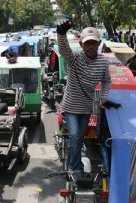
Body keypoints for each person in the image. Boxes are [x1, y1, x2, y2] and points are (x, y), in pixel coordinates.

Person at [56, 19, 120, 174]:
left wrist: (104, 98)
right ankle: (75, 167)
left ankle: (76, 160)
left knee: (81, 137)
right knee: (75, 135)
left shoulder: (103, 62)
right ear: (81, 44)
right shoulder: (74, 58)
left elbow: (106, 81)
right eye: (87, 43)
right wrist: (61, 33)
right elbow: (64, 49)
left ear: (98, 44)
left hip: (86, 107)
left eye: (93, 43)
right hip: (71, 106)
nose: (91, 47)